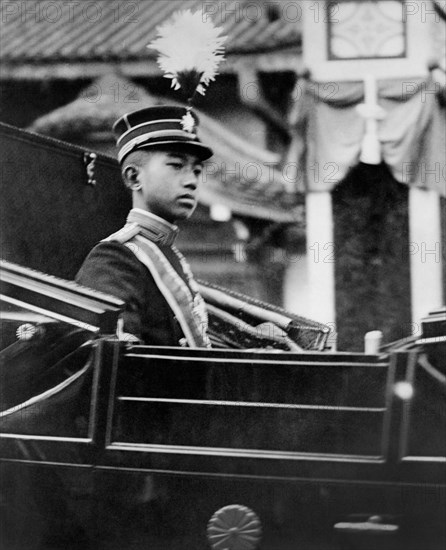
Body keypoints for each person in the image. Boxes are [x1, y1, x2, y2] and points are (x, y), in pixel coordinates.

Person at [76, 106, 212, 347]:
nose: (191, 181)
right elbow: (118, 365)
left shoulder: (169, 254)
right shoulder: (116, 258)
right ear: (133, 178)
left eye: (197, 170)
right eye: (176, 165)